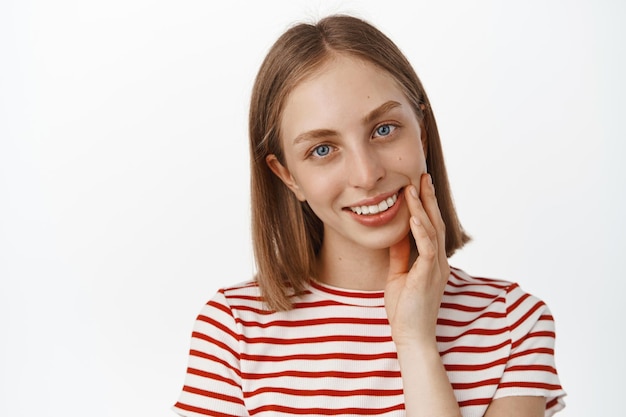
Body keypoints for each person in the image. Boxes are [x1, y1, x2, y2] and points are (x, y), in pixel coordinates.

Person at [172, 14, 566, 417]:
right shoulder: (234, 332)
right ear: (288, 176)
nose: (367, 175)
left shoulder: (511, 323)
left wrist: (415, 343)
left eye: (383, 129)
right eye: (323, 150)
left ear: (422, 132)